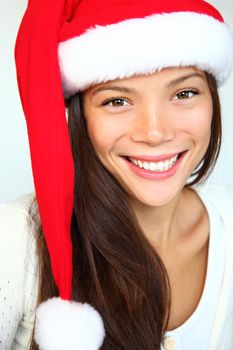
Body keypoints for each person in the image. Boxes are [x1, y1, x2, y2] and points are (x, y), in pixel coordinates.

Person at [1, 0, 233, 349]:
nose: (155, 132)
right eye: (117, 101)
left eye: (184, 93)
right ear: (82, 117)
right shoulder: (15, 241)